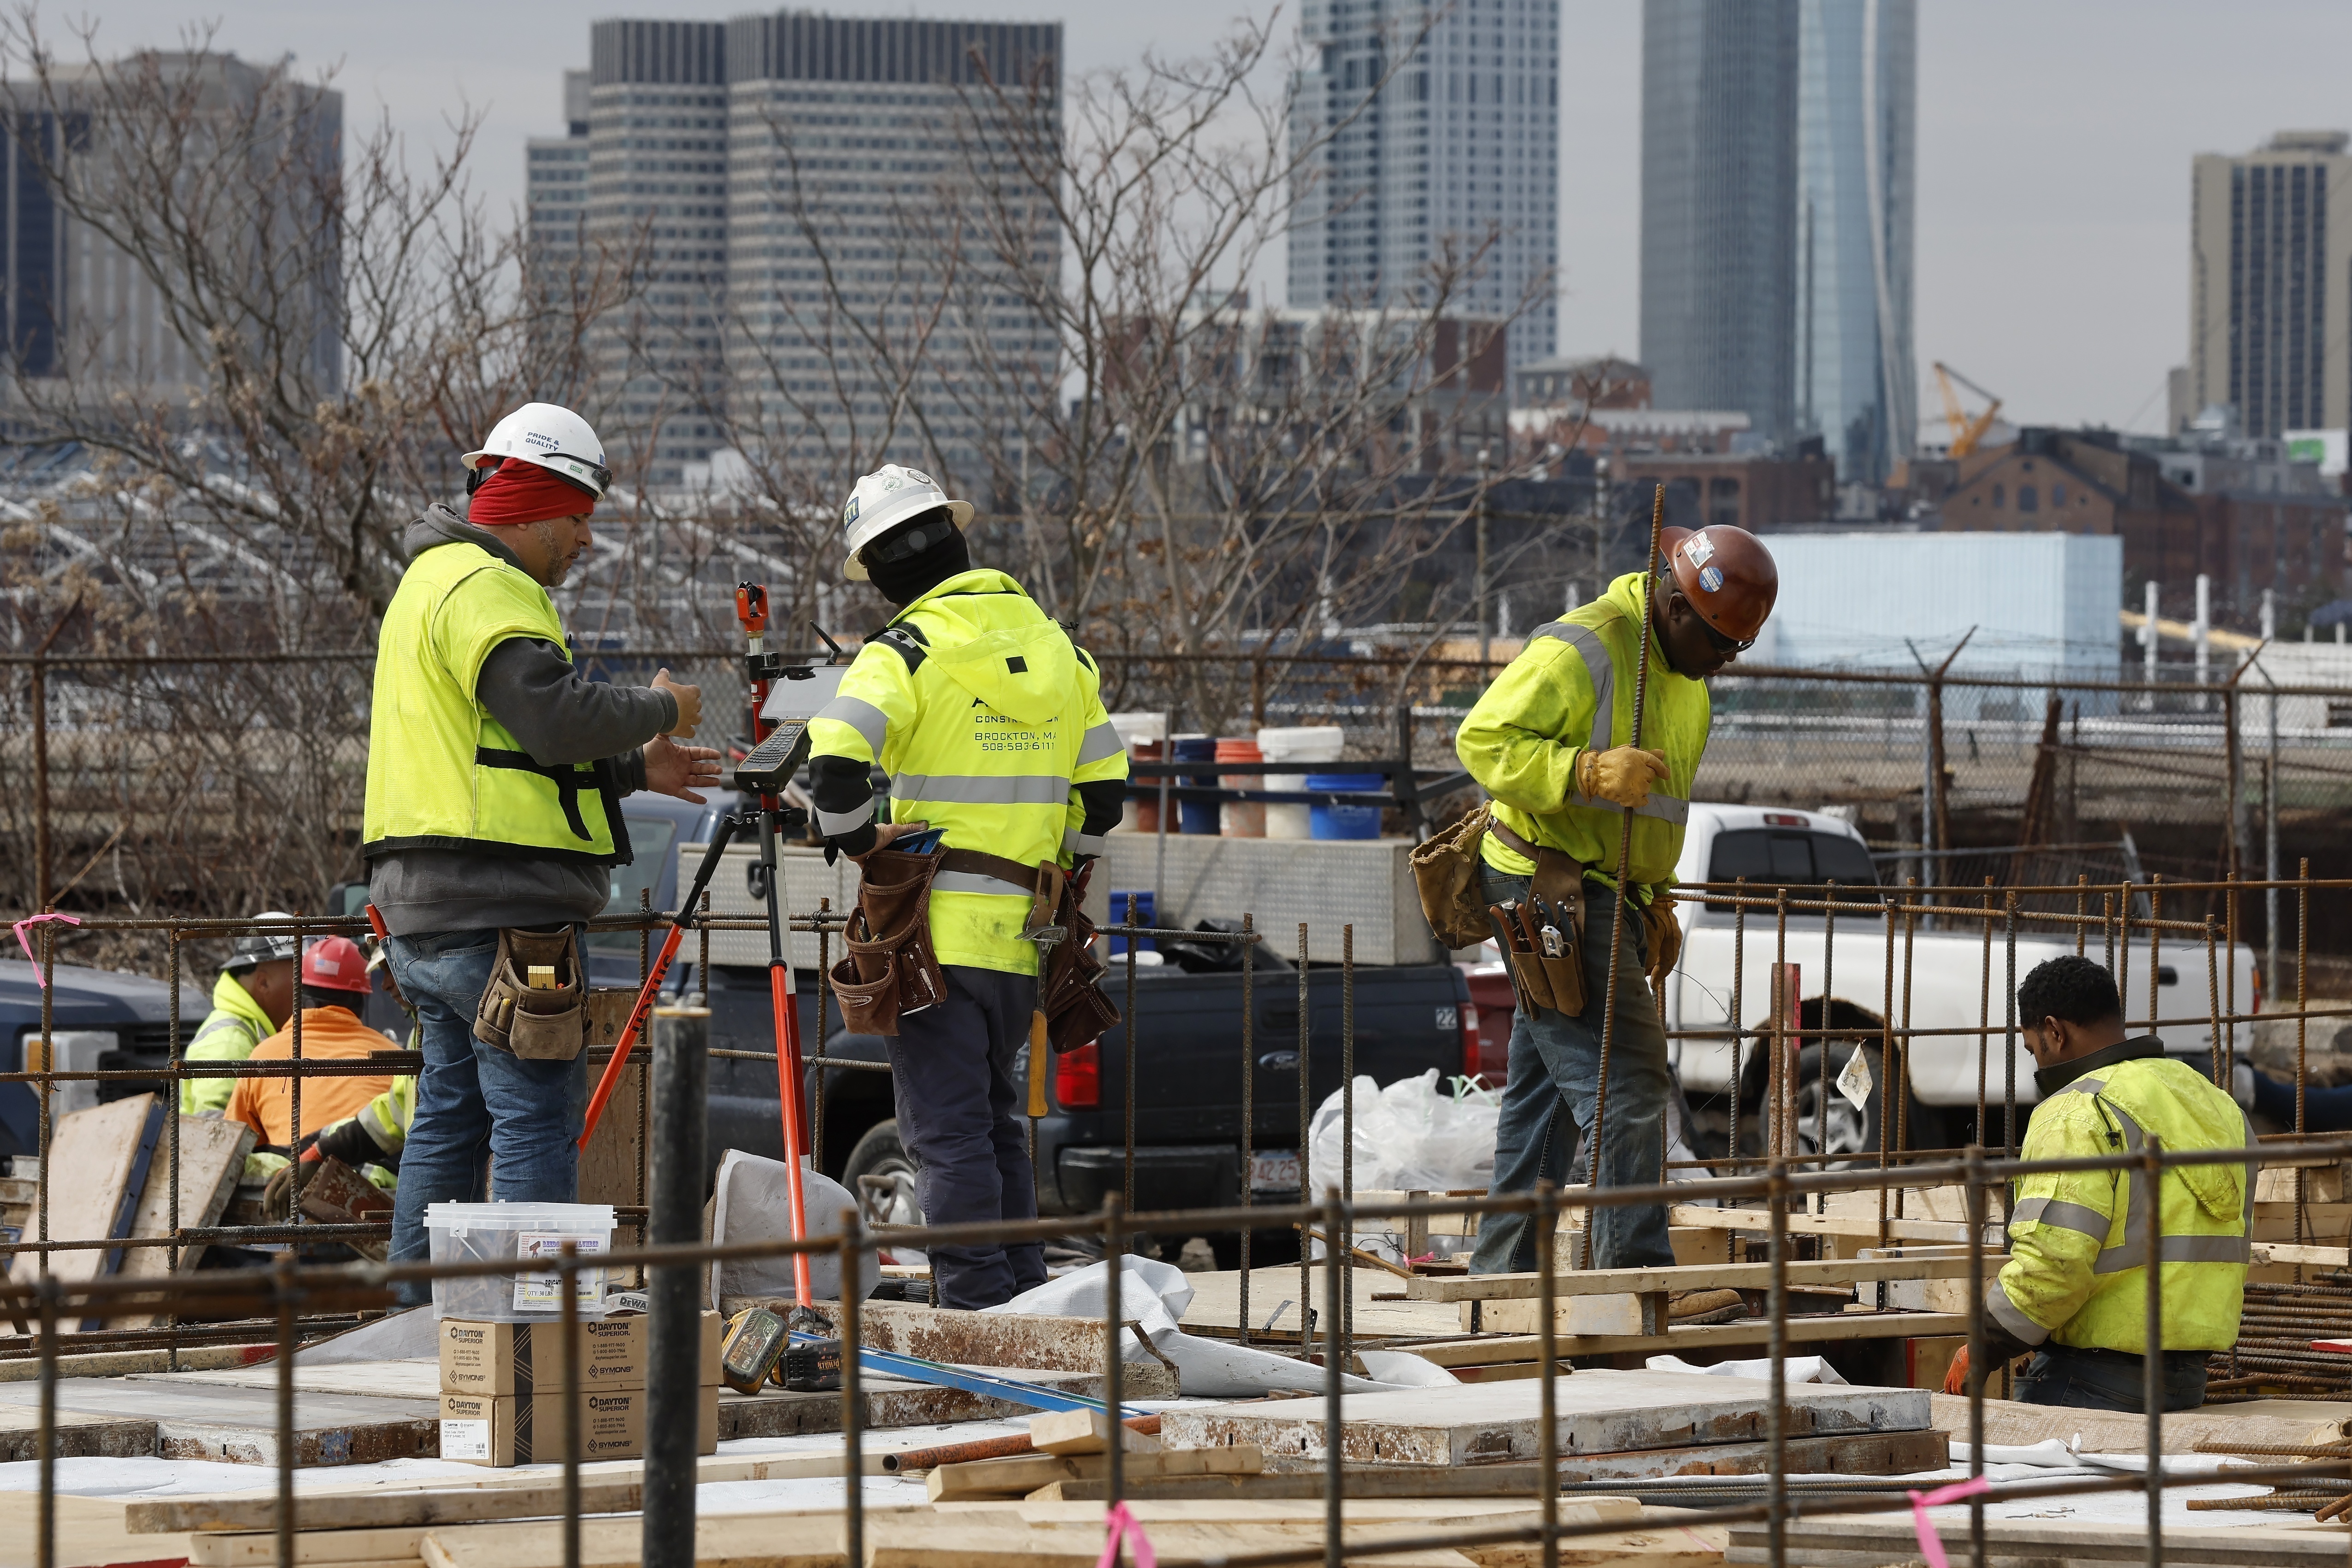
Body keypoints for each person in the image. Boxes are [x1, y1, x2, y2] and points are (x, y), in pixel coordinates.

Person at [363, 402, 722, 1303]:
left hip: (428, 908)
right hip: (501, 913)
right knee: (532, 1116)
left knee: (449, 1117)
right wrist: (659, 709)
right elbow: (551, 715)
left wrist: (633, 768)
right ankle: (529, 1336)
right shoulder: (489, 589)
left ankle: (418, 1320)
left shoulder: (427, 584)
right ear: (530, 507)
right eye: (576, 519)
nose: (584, 541)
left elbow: (500, 756)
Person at [804, 464, 1129, 1309]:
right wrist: (1055, 863)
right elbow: (1104, 797)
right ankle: (1024, 1300)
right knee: (994, 1128)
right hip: (1024, 938)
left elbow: (832, 765)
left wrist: (852, 840)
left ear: (876, 567)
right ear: (954, 535)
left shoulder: (904, 651)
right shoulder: (1059, 649)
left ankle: (977, 1310)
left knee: (944, 1133)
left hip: (930, 941)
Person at [1455, 520, 1777, 1307]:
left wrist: (1652, 890)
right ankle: (1636, 1281)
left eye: (1735, 650)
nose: (1722, 663)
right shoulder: (1588, 647)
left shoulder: (1684, 678)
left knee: (1545, 1099)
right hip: (1549, 885)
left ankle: (1499, 1276)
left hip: (1609, 891)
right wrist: (1587, 770)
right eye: (1717, 645)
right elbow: (1482, 739)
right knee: (1626, 1085)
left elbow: (1656, 803)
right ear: (1673, 607)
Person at [1948, 954, 2251, 1412]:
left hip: (2091, 1379)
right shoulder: (2214, 1102)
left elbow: (2054, 1264)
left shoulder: (2077, 1111)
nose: (2037, 1062)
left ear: (2054, 1031)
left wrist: (1983, 1345)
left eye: (2034, 1049)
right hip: (2186, 1382)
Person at [226, 936, 400, 1156]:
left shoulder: (264, 1055)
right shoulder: (394, 1056)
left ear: (300, 995)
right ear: (360, 999)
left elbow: (236, 1145)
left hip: (293, 1180)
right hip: (376, 1178)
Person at [182, 912, 299, 1116]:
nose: (307, 986)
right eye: (299, 976)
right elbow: (215, 1132)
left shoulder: (255, 1029)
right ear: (264, 983)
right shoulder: (229, 1041)